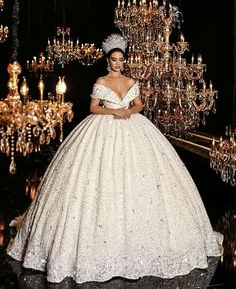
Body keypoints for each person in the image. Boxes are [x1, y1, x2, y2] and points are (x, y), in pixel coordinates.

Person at [7, 33, 223, 284]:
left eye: (121, 59)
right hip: (102, 127)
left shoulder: (132, 80)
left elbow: (140, 104)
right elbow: (93, 107)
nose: (118, 63)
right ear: (108, 61)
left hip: (133, 126)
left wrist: (129, 111)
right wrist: (115, 111)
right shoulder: (101, 80)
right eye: (114, 59)